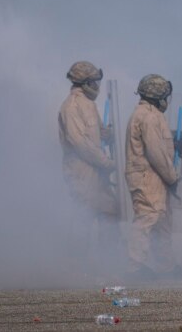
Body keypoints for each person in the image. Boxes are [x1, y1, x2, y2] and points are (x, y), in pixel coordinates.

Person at [125, 74, 180, 279]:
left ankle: (166, 266)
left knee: (161, 220)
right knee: (148, 217)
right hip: (149, 175)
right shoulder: (149, 116)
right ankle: (134, 266)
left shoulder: (148, 114)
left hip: (152, 176)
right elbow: (156, 153)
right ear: (158, 97)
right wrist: (173, 177)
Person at [57, 61, 118, 238]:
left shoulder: (88, 104)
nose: (96, 86)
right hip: (81, 172)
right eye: (93, 82)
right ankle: (76, 263)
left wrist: (112, 134)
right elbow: (81, 145)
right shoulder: (71, 106)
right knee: (83, 217)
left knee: (111, 213)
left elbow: (98, 133)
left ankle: (109, 260)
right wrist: (107, 163)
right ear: (84, 83)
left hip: (97, 171)